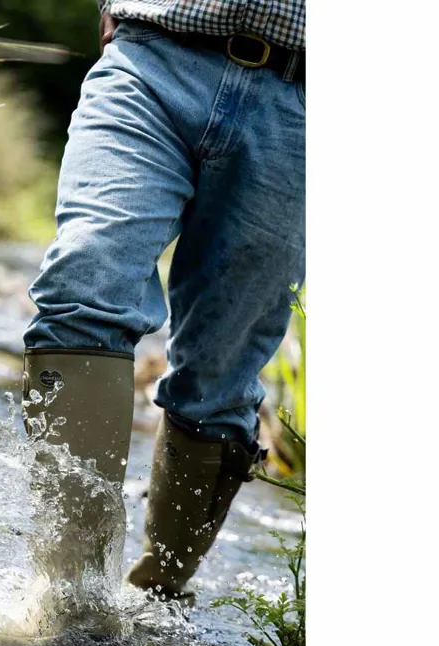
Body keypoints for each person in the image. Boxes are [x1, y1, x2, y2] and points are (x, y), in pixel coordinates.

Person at [22, 0, 305, 600]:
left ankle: (154, 600)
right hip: (154, 55)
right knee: (83, 284)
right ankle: (65, 602)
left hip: (303, 101)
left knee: (217, 383)